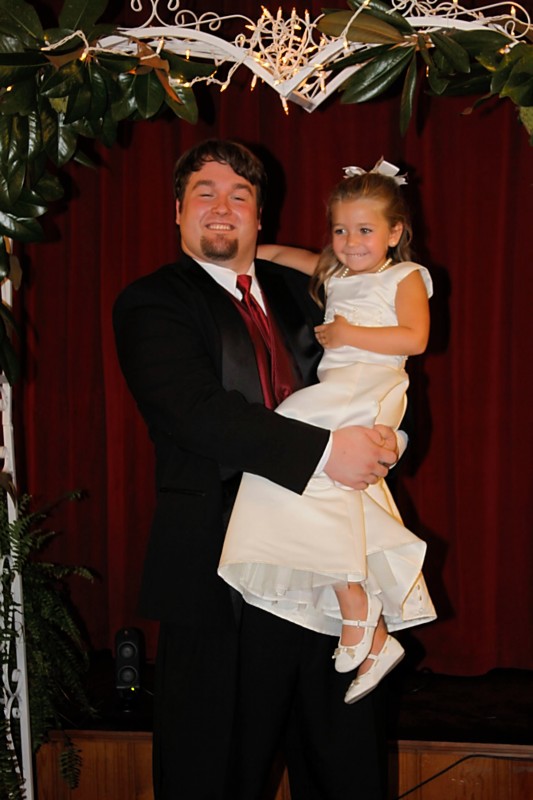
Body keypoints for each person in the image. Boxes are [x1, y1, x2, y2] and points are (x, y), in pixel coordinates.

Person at [113, 140, 400, 800]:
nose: (222, 206)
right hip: (221, 584)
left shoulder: (308, 294)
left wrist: (391, 436)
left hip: (331, 582)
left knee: (348, 774)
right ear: (176, 212)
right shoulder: (153, 301)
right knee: (214, 778)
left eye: (239, 195)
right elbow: (194, 411)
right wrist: (328, 453)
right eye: (205, 193)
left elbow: (374, 373)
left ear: (259, 217)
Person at [219, 160, 436, 705]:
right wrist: (247, 253)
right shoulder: (334, 272)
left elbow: (415, 338)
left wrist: (347, 331)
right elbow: (291, 256)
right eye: (340, 230)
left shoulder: (403, 276)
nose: (350, 242)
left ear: (394, 233)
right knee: (311, 486)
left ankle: (361, 611)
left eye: (365, 230)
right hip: (338, 392)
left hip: (370, 387)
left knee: (293, 455)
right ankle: (367, 621)